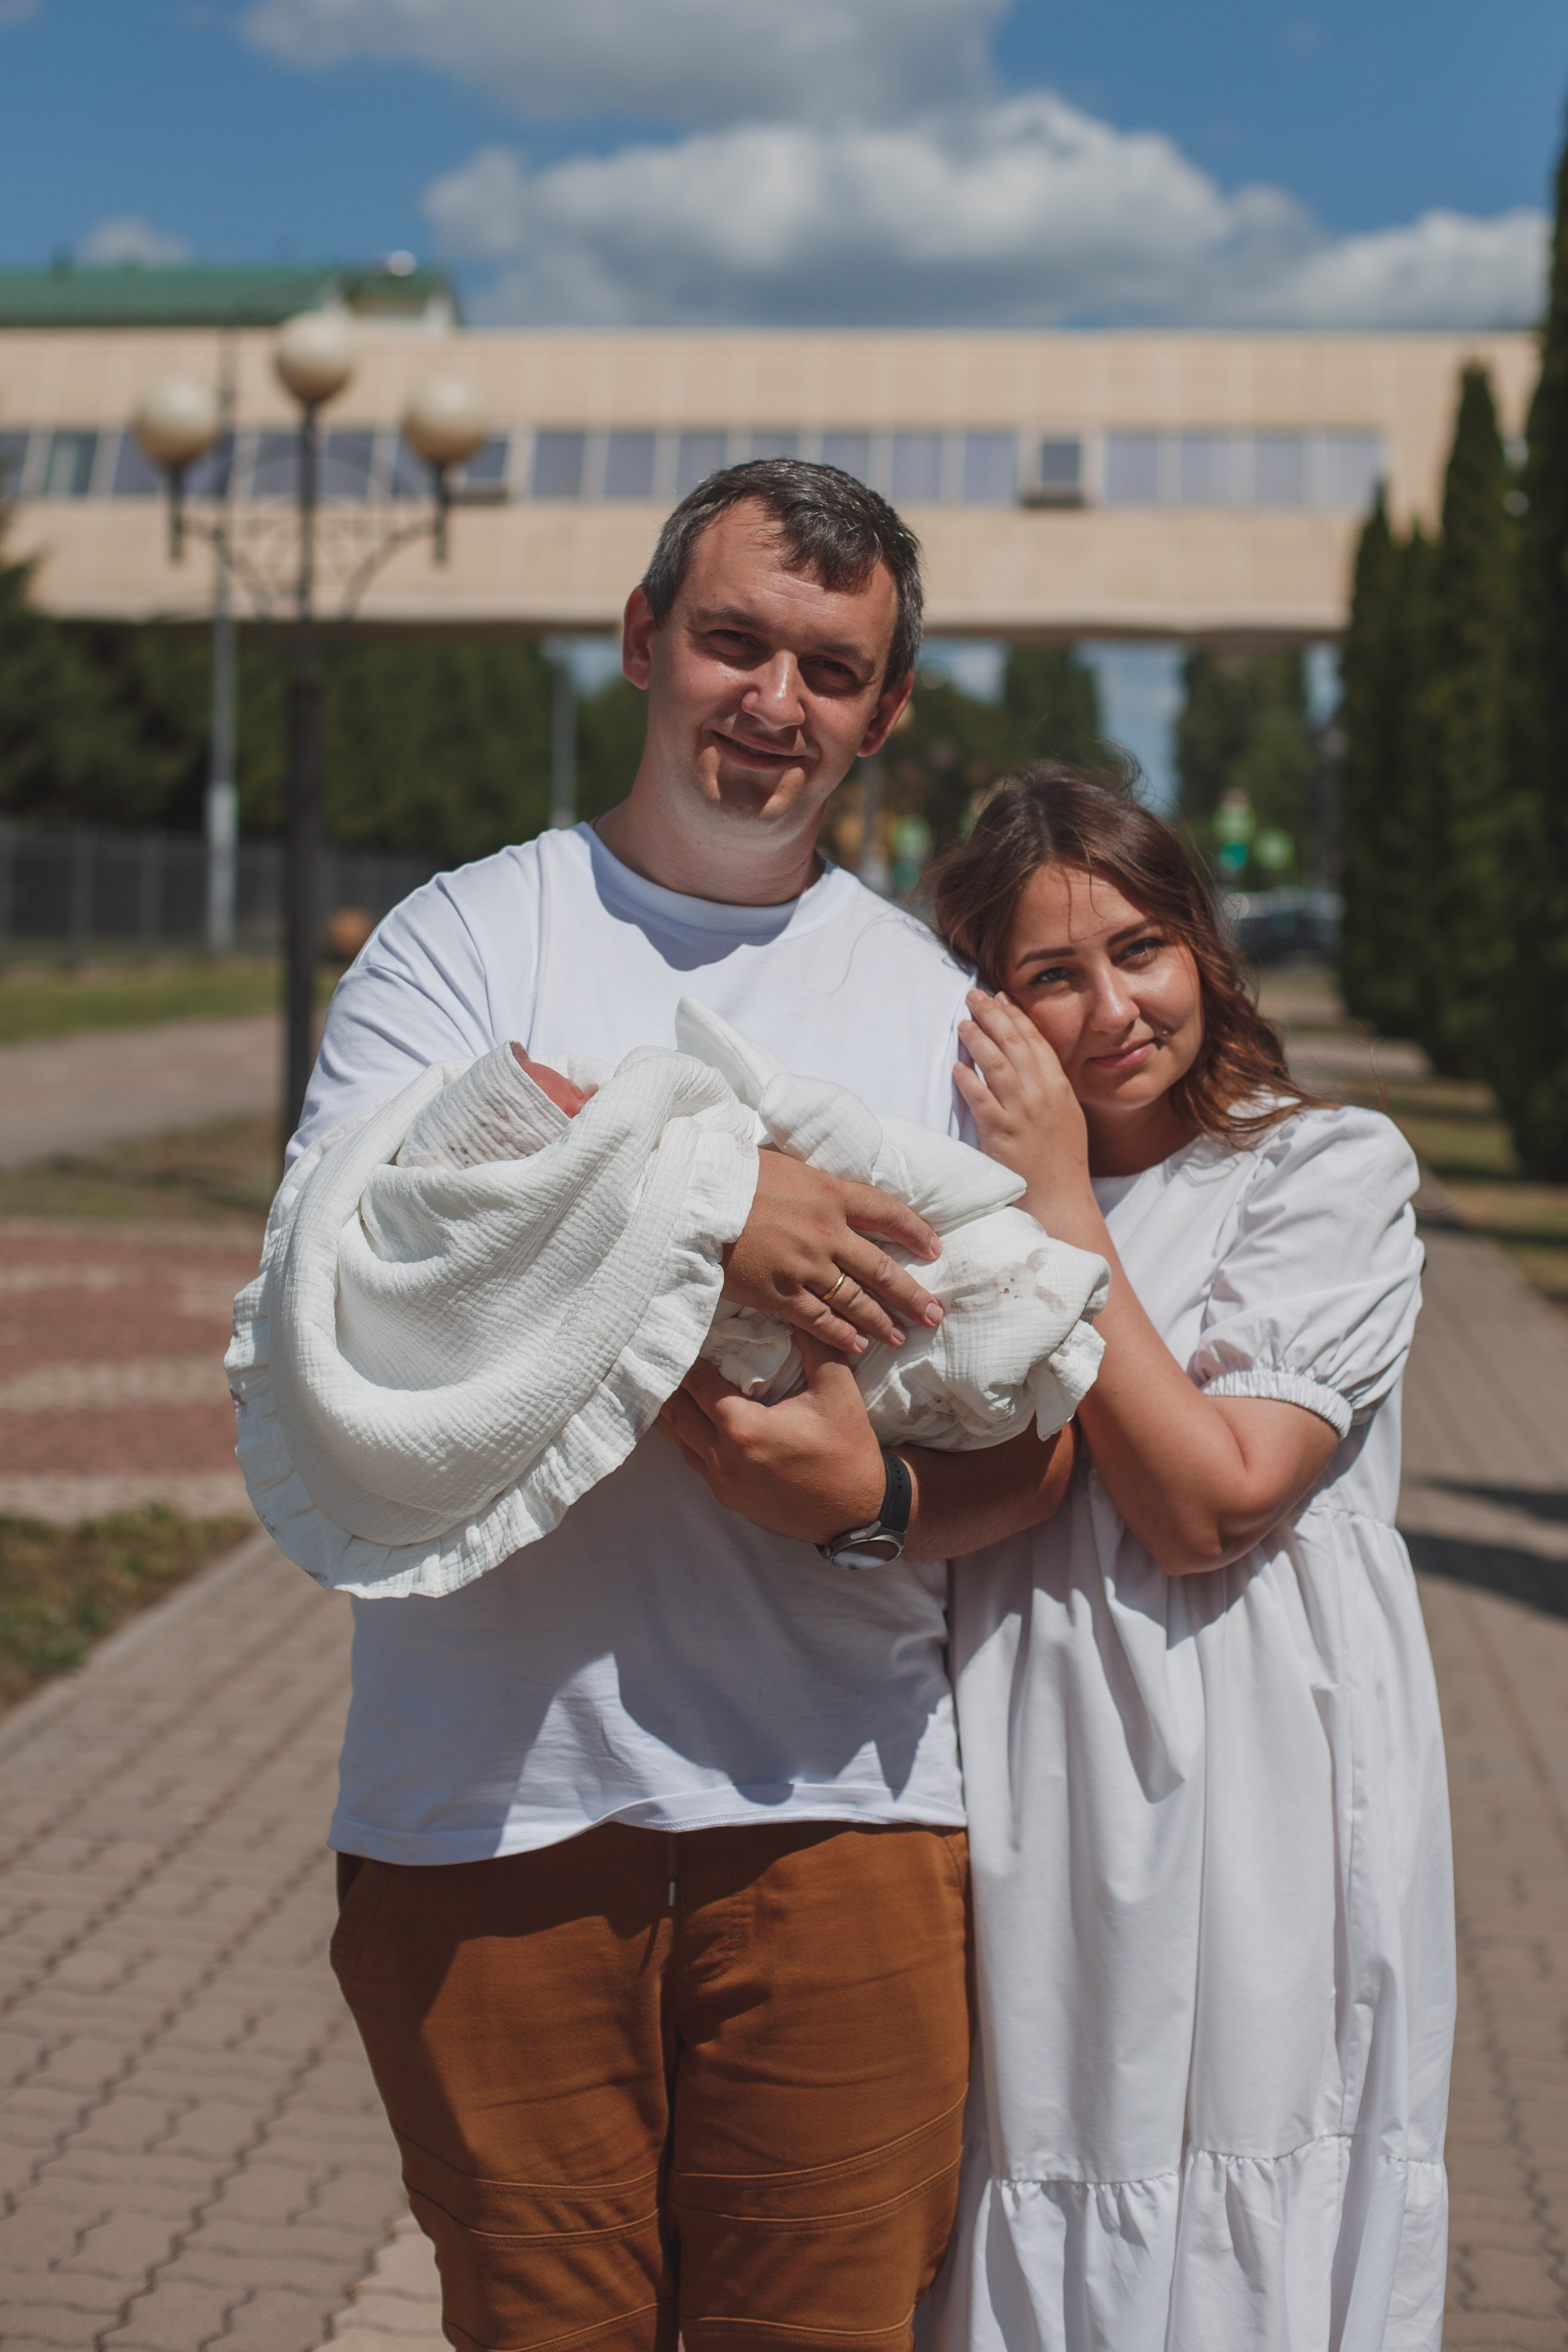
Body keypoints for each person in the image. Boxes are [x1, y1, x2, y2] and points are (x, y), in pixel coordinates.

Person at [296, 461, 1078, 2352]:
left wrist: (865, 1500)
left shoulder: (931, 1007)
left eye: (831, 665)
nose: (775, 700)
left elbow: (1034, 1423)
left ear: (885, 710)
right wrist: (722, 1211)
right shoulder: (464, 942)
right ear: (646, 641)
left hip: (844, 1814)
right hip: (489, 1808)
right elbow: (371, 1264)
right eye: (735, 640)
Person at [669, 767, 1454, 2352]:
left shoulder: (1325, 1172)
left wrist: (1055, 1196)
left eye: (1144, 948)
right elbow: (1011, 1495)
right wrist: (847, 1492)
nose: (1113, 1007)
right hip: (1027, 1755)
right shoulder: (958, 1209)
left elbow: (1211, 1502)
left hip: (1254, 1782)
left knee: (1237, 2174)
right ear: (992, 1011)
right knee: (1043, 2175)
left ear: (1205, 957)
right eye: (1051, 974)